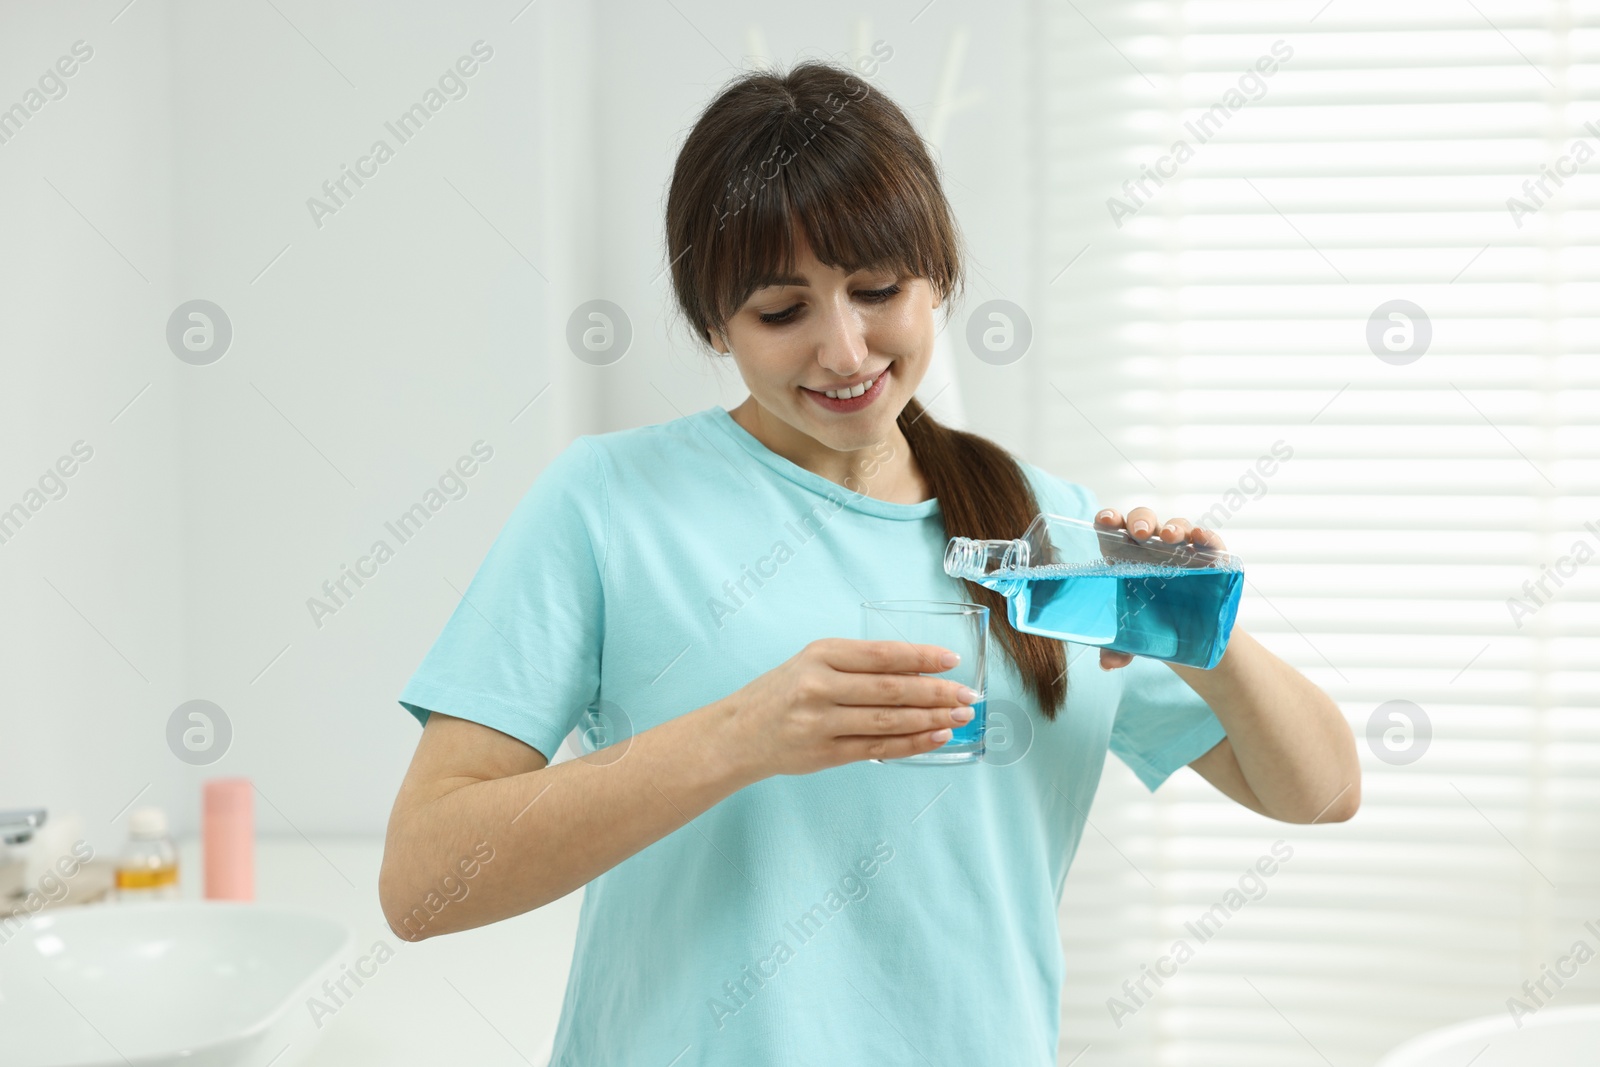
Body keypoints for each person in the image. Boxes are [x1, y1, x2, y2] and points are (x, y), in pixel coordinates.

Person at [378, 59, 1359, 1066]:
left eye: (878, 290)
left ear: (937, 278)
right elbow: (422, 879)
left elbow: (1320, 790)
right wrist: (740, 735)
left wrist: (1200, 624)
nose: (845, 350)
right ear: (714, 322)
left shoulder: (1041, 533)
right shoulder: (607, 505)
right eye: (780, 310)